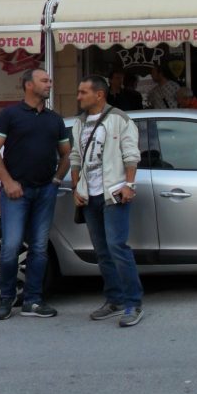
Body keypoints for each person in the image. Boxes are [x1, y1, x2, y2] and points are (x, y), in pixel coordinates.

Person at [0, 69, 71, 320]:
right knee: (10, 247)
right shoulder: (9, 115)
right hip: (16, 193)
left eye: (50, 80)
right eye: (44, 80)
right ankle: (6, 297)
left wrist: (56, 179)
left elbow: (67, 153)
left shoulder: (54, 119)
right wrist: (8, 182)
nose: (49, 84)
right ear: (28, 85)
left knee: (39, 248)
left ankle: (33, 301)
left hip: (45, 190)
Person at [70, 75, 144, 327]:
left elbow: (131, 154)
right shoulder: (79, 123)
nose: (78, 96)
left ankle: (133, 302)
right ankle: (114, 299)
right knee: (102, 251)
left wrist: (129, 185)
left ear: (99, 94)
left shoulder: (119, 119)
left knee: (117, 247)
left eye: (83, 92)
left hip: (113, 192)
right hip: (89, 196)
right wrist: (76, 187)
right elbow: (76, 157)